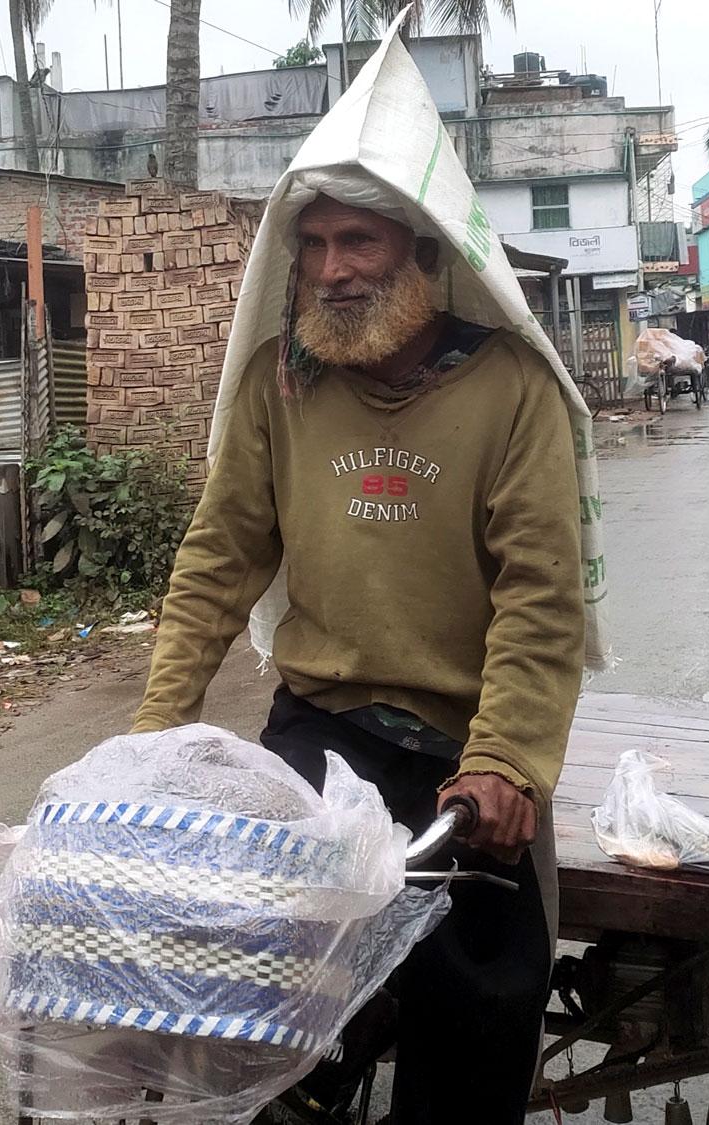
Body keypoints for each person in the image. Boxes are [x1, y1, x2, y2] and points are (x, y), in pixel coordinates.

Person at [131, 190, 587, 1124]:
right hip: (321, 729)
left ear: (420, 253)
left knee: (482, 1002)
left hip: (464, 749)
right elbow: (219, 562)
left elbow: (539, 595)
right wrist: (152, 734)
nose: (332, 269)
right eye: (314, 246)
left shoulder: (510, 388)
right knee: (229, 975)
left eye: (358, 242)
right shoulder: (280, 383)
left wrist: (504, 761)